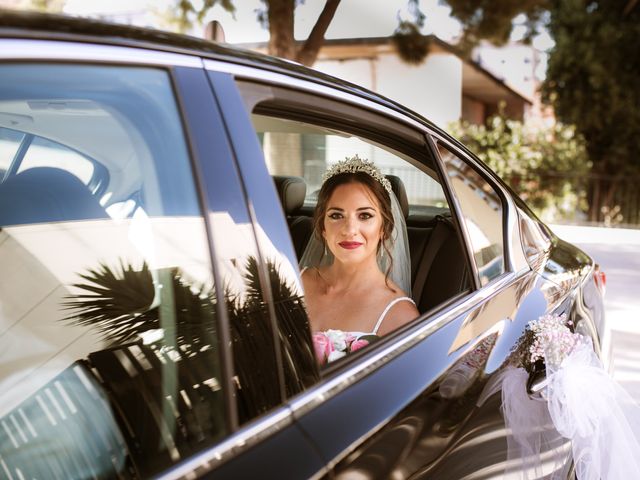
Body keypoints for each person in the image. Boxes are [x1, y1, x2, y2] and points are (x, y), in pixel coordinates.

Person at [300, 155, 419, 363]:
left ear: (384, 228)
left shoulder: (400, 316)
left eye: (365, 216)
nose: (349, 230)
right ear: (322, 227)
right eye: (337, 215)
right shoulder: (295, 281)